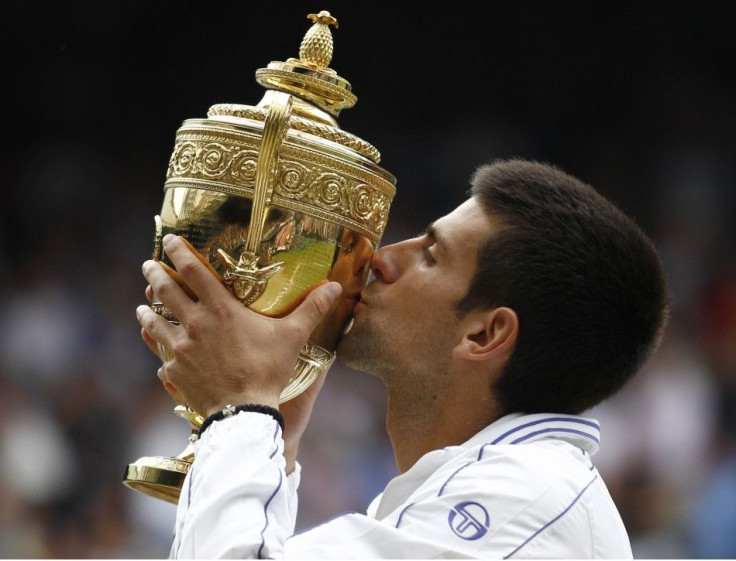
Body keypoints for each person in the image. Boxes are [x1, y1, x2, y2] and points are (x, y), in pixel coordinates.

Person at [136, 158, 669, 558]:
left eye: (430, 255)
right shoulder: (488, 491)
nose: (381, 259)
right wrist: (276, 443)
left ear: (485, 334)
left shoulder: (523, 500)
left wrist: (240, 411)